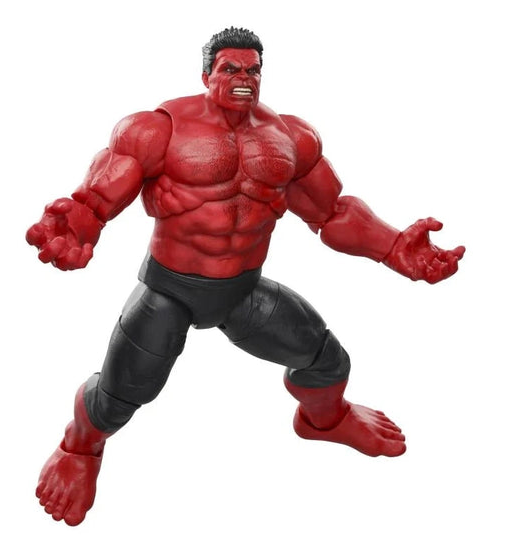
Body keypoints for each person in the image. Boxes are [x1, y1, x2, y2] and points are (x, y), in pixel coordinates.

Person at [27, 27, 465, 526]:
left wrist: (392, 246)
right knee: (117, 399)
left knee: (327, 363)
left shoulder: (290, 137)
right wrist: (76, 227)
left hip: (241, 290)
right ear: (206, 75)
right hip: (169, 289)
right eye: (230, 69)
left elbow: (332, 213)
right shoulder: (155, 130)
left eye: (253, 70)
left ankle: (325, 421)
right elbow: (95, 200)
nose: (244, 78)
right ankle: (78, 449)